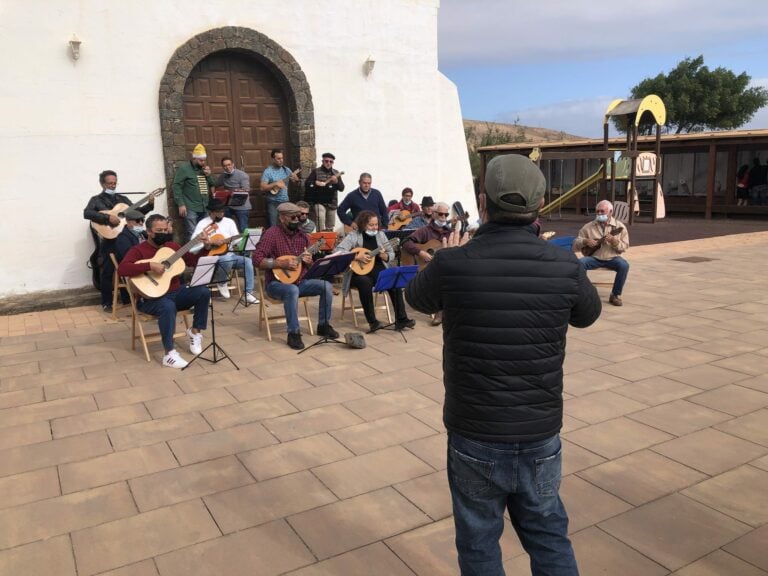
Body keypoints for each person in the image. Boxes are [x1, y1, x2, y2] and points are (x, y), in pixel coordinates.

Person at [405, 154, 601, 576]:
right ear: (539, 206)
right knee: (548, 536)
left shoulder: (453, 263)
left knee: (478, 542)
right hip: (539, 431)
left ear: (483, 203)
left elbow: (417, 299)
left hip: (474, 431)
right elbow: (588, 315)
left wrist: (444, 258)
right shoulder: (564, 265)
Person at [118, 214, 211, 369]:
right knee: (167, 306)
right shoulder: (138, 250)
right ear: (149, 232)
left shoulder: (172, 247)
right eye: (159, 230)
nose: (163, 233)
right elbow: (122, 269)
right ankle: (169, 354)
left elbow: (192, 261)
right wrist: (150, 266)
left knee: (203, 292)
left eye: (165, 230)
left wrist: (206, 248)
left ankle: (195, 332)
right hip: (150, 299)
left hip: (176, 293)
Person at [252, 202, 339, 350]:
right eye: (293, 217)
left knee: (326, 286)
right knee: (292, 290)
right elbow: (256, 259)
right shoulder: (272, 234)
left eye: (298, 217)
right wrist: (280, 264)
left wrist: (309, 262)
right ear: (282, 218)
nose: (297, 220)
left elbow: (309, 268)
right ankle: (293, 333)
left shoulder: (303, 237)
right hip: (276, 284)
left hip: (300, 282)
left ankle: (323, 326)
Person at [83, 170, 154, 313]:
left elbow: (136, 214)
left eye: (114, 183)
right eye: (109, 183)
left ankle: (128, 298)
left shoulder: (123, 199)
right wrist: (107, 218)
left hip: (126, 239)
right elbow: (87, 213)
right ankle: (107, 302)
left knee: (128, 267)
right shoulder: (96, 200)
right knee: (107, 272)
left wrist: (149, 205)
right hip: (109, 241)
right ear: (102, 184)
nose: (113, 185)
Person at [334, 210, 415, 332]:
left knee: (394, 280)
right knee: (365, 283)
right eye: (371, 225)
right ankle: (373, 322)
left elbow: (391, 253)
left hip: (378, 271)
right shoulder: (353, 235)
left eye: (376, 224)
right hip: (357, 273)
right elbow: (338, 251)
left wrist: (385, 256)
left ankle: (401, 319)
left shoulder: (381, 235)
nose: (374, 227)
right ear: (363, 224)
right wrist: (356, 256)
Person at [192, 198, 258, 304]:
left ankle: (248, 293)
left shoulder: (229, 222)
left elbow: (237, 240)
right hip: (211, 257)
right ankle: (222, 282)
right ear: (211, 212)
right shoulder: (203, 223)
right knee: (227, 259)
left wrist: (246, 242)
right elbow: (193, 246)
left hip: (230, 254)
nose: (222, 213)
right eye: (219, 211)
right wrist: (211, 242)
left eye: (223, 211)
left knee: (248, 261)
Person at [574, 199, 630, 306]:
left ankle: (615, 295)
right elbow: (576, 242)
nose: (599, 213)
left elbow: (625, 247)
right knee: (579, 264)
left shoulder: (620, 227)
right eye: (597, 211)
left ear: (611, 212)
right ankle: (583, 293)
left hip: (613, 258)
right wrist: (585, 241)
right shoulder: (588, 226)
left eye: (602, 211)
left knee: (624, 265)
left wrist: (614, 242)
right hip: (594, 258)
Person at [173, 143, 215, 242]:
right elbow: (176, 186)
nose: (203, 162)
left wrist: (209, 175)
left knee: (206, 231)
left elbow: (212, 184)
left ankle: (204, 250)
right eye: (201, 160)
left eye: (204, 160)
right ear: (194, 158)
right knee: (192, 232)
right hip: (190, 206)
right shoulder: (184, 169)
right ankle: (191, 251)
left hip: (204, 206)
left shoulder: (204, 169)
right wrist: (181, 204)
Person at [305, 152, 345, 231]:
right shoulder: (316, 171)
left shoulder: (336, 173)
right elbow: (307, 184)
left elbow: (341, 188)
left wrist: (336, 182)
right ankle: (320, 237)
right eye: (326, 161)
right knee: (320, 220)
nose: (328, 163)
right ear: (322, 161)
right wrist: (315, 183)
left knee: (330, 226)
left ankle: (329, 238)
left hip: (332, 203)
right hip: (319, 202)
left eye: (331, 161)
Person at [260, 148, 299, 228]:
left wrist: (296, 179)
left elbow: (296, 182)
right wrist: (275, 184)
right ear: (273, 159)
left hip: (285, 201)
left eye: (282, 158)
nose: (281, 160)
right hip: (273, 203)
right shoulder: (268, 171)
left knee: (287, 225)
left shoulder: (286, 170)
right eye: (278, 158)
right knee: (274, 226)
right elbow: (262, 188)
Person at [215, 157, 251, 231]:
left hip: (242, 206)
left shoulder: (242, 175)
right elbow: (215, 184)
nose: (227, 167)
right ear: (222, 167)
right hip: (229, 205)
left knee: (243, 228)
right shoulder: (223, 176)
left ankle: (245, 239)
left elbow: (246, 189)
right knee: (226, 227)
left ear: (233, 164)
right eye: (225, 166)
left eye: (229, 165)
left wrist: (235, 192)